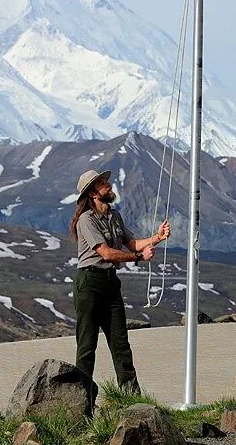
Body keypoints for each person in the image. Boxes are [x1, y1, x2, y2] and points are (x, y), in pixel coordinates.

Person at [70, 169, 170, 394]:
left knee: (121, 345)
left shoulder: (115, 216)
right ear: (93, 193)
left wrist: (157, 237)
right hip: (90, 283)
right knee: (87, 347)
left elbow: (131, 243)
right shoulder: (86, 220)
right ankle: (82, 402)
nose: (109, 184)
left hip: (109, 283)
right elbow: (106, 253)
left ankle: (130, 399)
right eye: (103, 183)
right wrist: (138, 258)